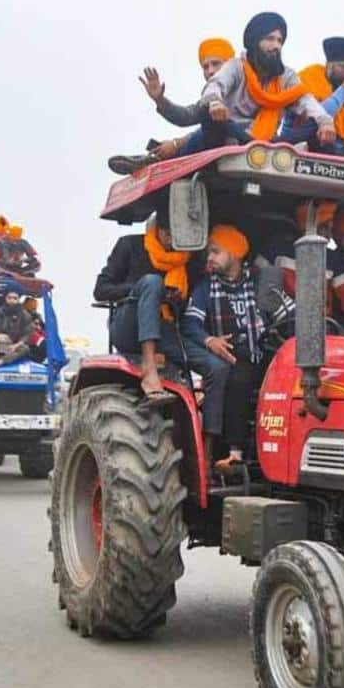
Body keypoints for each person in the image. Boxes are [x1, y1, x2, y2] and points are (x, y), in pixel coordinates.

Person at [107, 12, 335, 174]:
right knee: (209, 113)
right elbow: (212, 91)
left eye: (280, 40)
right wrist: (210, 102)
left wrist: (325, 121)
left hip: (266, 143)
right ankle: (154, 162)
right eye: (270, 39)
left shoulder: (286, 77)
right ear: (255, 42)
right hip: (228, 134)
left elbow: (306, 101)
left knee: (317, 125)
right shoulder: (237, 67)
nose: (276, 45)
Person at [183, 225, 291, 475]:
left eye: (215, 252)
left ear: (234, 253)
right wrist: (210, 341)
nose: (209, 258)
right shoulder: (205, 288)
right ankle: (234, 453)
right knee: (239, 375)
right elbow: (190, 323)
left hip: (263, 352)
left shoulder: (258, 282)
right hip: (231, 358)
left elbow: (288, 312)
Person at [95, 214, 217, 406]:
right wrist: (141, 289)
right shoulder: (130, 245)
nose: (172, 240)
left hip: (166, 329)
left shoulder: (189, 261)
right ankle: (149, 370)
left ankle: (207, 432)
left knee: (217, 367)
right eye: (169, 234)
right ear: (159, 231)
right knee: (152, 282)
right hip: (129, 325)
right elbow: (100, 290)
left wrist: (174, 298)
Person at [110, 38, 237, 172]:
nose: (210, 71)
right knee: (207, 121)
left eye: (215, 64)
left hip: (245, 148)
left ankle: (161, 160)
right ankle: (159, 158)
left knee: (210, 123)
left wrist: (176, 144)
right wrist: (160, 100)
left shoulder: (244, 88)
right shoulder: (210, 96)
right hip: (213, 149)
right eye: (205, 67)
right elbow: (187, 116)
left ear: (229, 65)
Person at [255, 200, 344, 342]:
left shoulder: (332, 259)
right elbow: (253, 283)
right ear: (306, 228)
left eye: (330, 228)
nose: (329, 235)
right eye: (323, 228)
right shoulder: (275, 249)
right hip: (281, 328)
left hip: (322, 329)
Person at [0, 290, 35, 414]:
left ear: (18, 300)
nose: (12, 301)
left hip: (15, 348)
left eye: (15, 298)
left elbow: (27, 335)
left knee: (25, 349)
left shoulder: (25, 315)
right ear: (6, 299)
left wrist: (16, 345)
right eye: (10, 298)